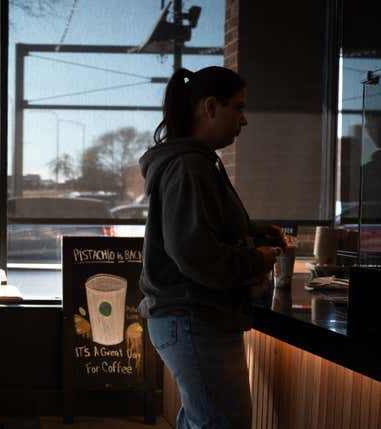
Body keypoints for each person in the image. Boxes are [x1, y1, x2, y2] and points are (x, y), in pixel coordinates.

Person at [138, 66, 285, 429]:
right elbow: (194, 253)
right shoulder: (190, 166)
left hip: (190, 319)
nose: (244, 119)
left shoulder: (195, 162)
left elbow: (200, 229)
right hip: (194, 318)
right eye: (238, 107)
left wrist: (252, 232)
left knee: (206, 420)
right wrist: (255, 260)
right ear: (210, 107)